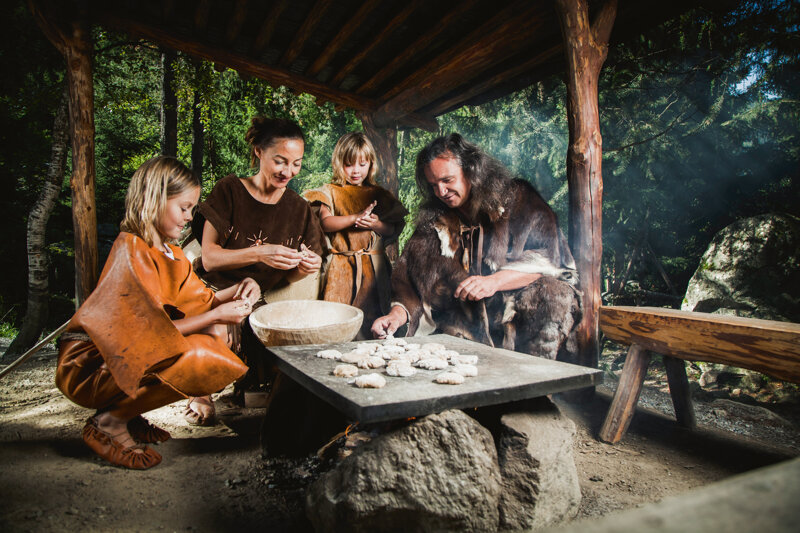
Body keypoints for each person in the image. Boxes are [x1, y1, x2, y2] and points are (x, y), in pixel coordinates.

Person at [56, 156, 260, 470]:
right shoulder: (132, 249)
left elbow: (203, 302)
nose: (190, 218)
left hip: (120, 359)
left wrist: (242, 287)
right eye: (184, 208)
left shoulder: (172, 254)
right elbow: (145, 335)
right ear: (155, 199)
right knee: (204, 351)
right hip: (87, 365)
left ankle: (128, 410)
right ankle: (110, 421)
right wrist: (217, 316)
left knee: (216, 334)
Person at [371, 133, 582, 361]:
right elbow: (409, 284)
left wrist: (494, 282)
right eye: (433, 185)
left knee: (554, 293)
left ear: (471, 170)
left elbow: (551, 260)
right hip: (461, 331)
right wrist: (396, 315)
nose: (441, 192)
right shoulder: (434, 223)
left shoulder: (516, 198)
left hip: (514, 325)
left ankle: (535, 383)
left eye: (447, 180)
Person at [191, 117, 325, 396]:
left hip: (257, 300)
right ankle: (201, 393)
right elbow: (210, 258)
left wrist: (307, 266)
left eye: (296, 164)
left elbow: (291, 276)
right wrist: (260, 253)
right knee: (218, 332)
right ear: (259, 152)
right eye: (280, 161)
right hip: (211, 291)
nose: (288, 171)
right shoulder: (229, 190)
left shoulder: (299, 209)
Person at [303, 132, 407, 338]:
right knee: (336, 324)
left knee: (375, 322)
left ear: (371, 163)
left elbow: (393, 230)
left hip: (376, 270)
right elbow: (325, 222)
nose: (356, 170)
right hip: (342, 269)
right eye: (349, 164)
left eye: (362, 164)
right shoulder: (330, 191)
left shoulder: (380, 194)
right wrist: (354, 218)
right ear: (338, 163)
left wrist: (377, 224)